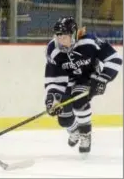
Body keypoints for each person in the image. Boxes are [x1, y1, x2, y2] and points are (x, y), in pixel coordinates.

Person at [45, 16, 122, 154]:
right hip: (68, 79)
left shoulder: (89, 42)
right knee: (64, 119)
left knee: (79, 100)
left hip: (88, 76)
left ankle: (85, 133)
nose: (61, 41)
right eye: (59, 37)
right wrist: (53, 98)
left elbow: (115, 58)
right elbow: (54, 77)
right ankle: (74, 131)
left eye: (65, 37)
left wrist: (102, 79)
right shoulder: (53, 50)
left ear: (74, 35)